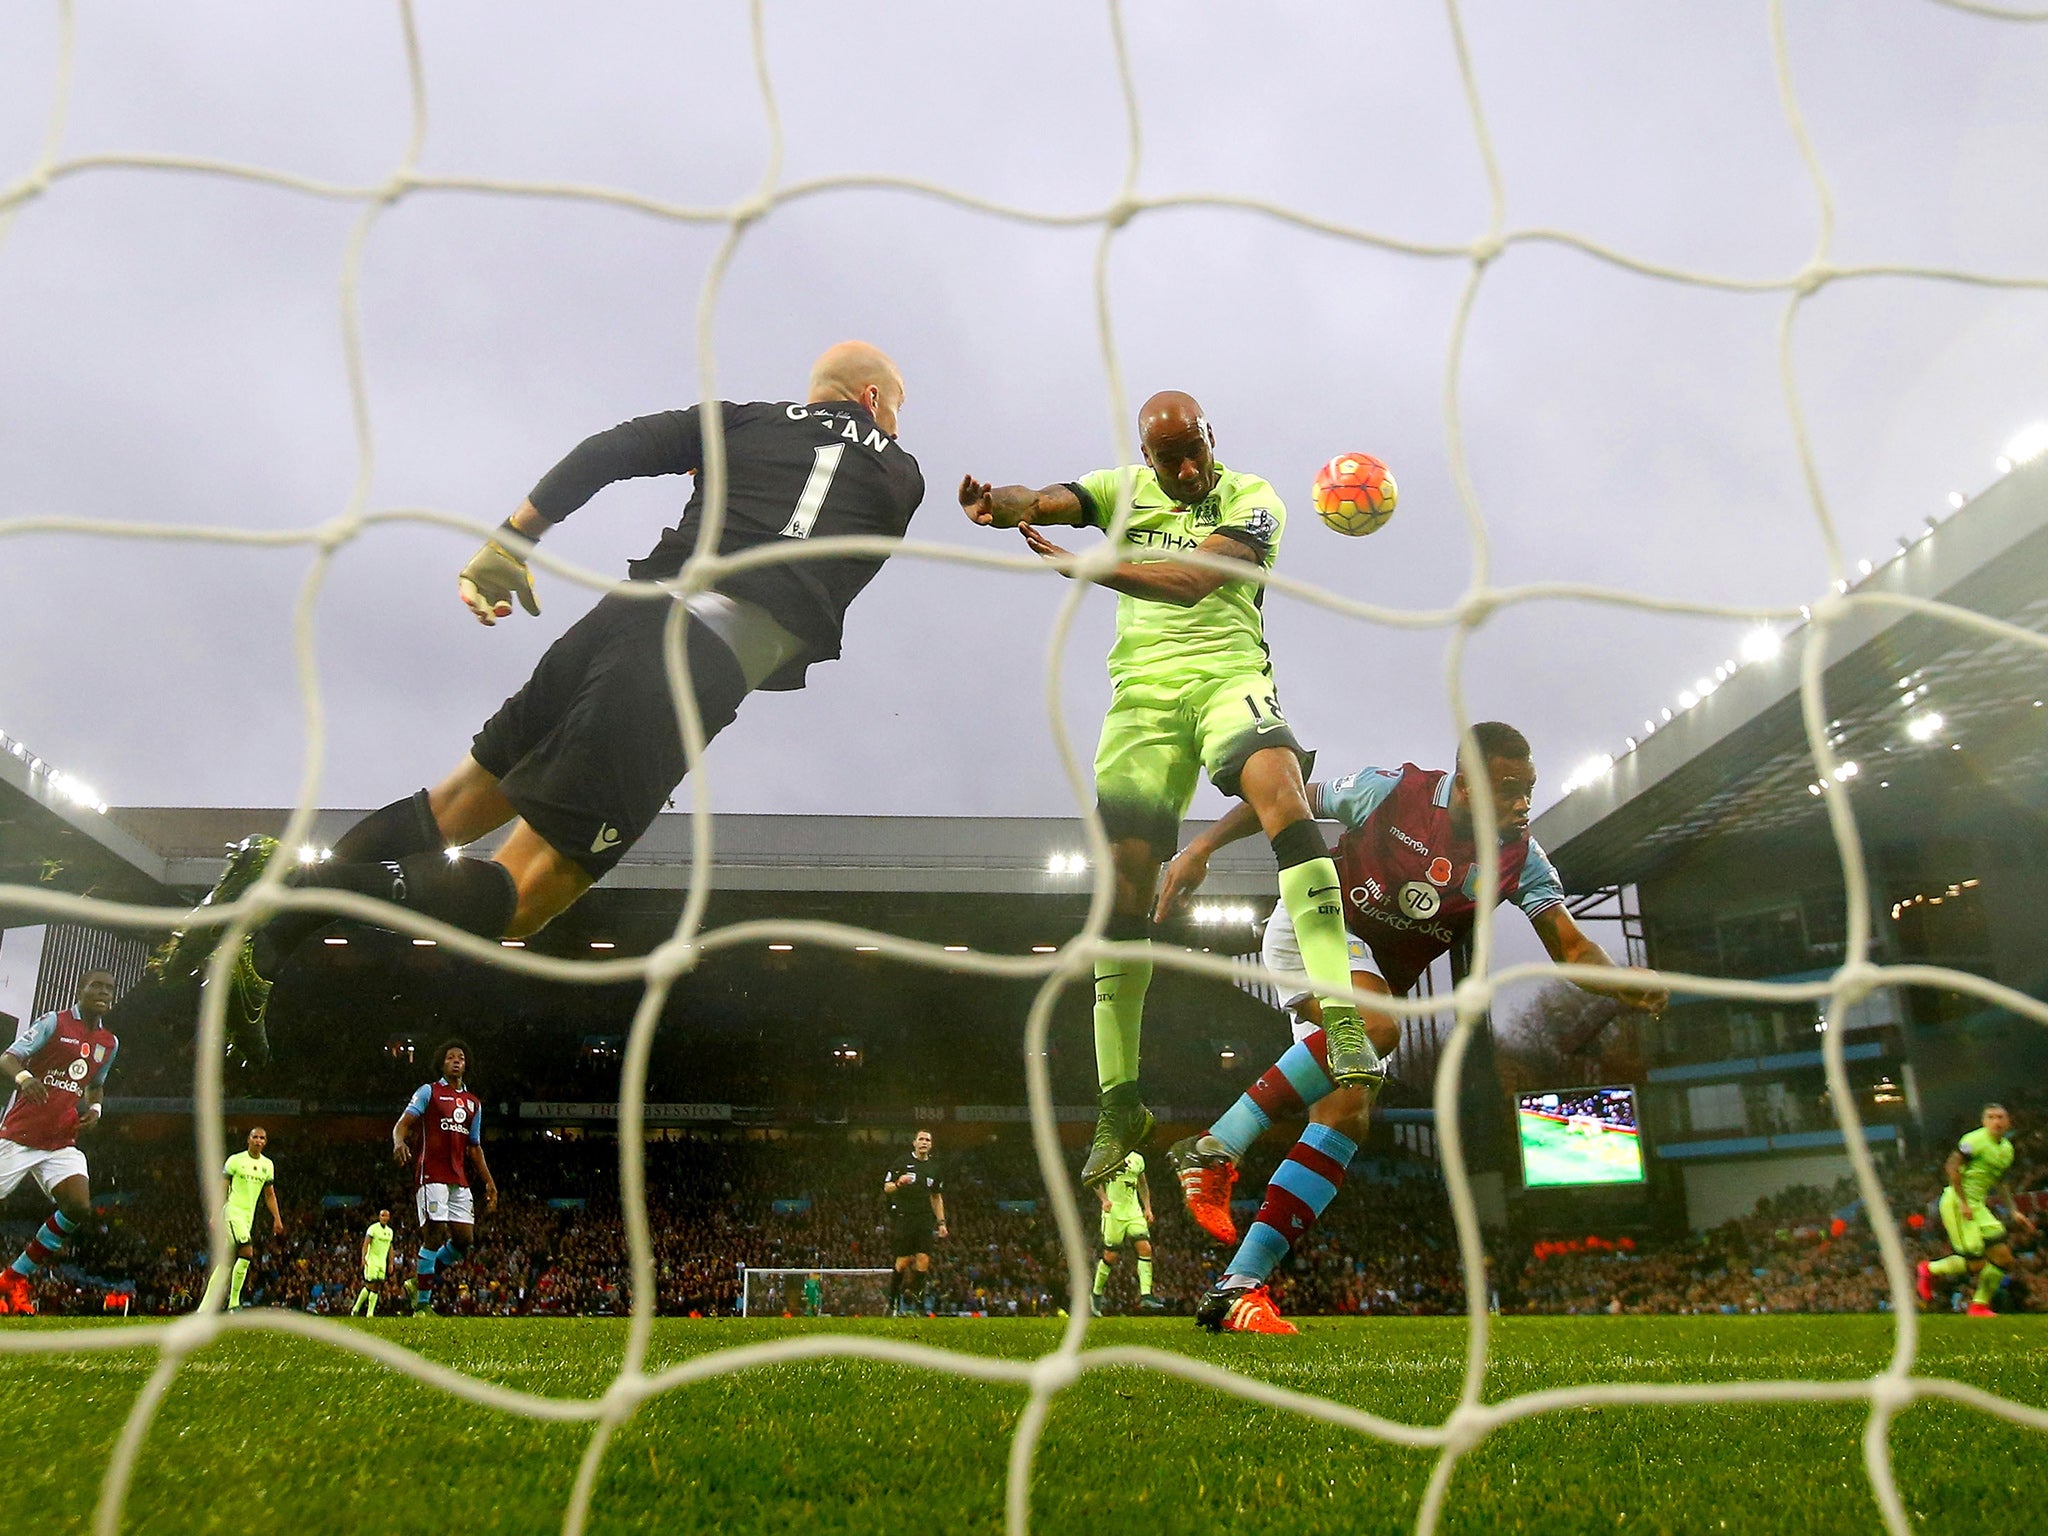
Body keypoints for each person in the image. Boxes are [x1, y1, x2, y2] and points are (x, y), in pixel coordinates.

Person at [150, 342, 924, 1064]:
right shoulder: (902, 475)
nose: (896, 422)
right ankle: (293, 890)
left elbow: (613, 448)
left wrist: (512, 541)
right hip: (692, 661)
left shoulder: (744, 422)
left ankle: (268, 941)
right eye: (895, 407)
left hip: (619, 620)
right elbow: (827, 527)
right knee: (524, 894)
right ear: (871, 398)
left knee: (456, 801)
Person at [961, 392, 1369, 1185]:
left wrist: (1089, 566)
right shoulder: (1120, 490)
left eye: (1195, 452)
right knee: (1120, 890)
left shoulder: (1254, 499)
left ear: (1212, 437)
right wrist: (1001, 505)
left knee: (1282, 790)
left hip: (1227, 680)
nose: (1185, 470)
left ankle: (1342, 1018)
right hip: (1140, 703)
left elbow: (1190, 581)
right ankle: (1121, 1103)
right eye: (1168, 458)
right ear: (1146, 458)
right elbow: (1045, 499)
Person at [1158, 724, 1667, 1334]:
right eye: (1509, 789)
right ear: (1467, 784)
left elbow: (1573, 947)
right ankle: (1213, 1147)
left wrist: (1620, 981)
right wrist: (1202, 847)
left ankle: (1237, 1287)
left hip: (1370, 975)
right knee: (1376, 1028)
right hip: (1316, 926)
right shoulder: (1393, 791)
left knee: (1346, 1115)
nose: (1522, 805)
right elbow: (1282, 799)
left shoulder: (1520, 859)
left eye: (1529, 790)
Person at [0, 970, 119, 1317]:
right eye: (96, 986)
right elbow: (8, 1057)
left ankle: (13, 1277)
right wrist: (25, 1078)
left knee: (78, 1206)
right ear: (80, 989)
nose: (103, 992)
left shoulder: (109, 1043)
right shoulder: (55, 1022)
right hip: (21, 1135)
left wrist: (95, 1108)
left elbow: (96, 1084)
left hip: (61, 1141)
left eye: (109, 989)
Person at [395, 1040, 498, 1316]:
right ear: (442, 1064)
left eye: (460, 1057)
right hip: (431, 1173)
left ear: (466, 1065)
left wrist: (489, 1182)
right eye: (450, 1057)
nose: (456, 1060)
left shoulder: (473, 1103)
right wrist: (398, 1142)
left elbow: (474, 1148)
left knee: (464, 1240)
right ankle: (422, 1306)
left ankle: (417, 1283)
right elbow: (403, 1124)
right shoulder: (429, 1092)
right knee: (435, 1234)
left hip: (459, 1178)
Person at [1918, 1104, 2037, 1316]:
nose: (1996, 1121)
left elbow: (2001, 1183)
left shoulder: (2007, 1149)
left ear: (2008, 1122)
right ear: (1984, 1122)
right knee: (1976, 1264)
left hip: (1978, 1206)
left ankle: (1978, 1305)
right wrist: (1964, 1202)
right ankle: (1928, 1269)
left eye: (2000, 1117)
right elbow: (1951, 1167)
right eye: (1991, 1117)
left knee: (2004, 1259)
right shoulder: (1974, 1140)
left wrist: (2013, 1211)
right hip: (1957, 1203)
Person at [883, 1129, 947, 1316]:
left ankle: (918, 1306)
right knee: (902, 1262)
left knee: (923, 1260)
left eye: (928, 1140)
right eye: (921, 1139)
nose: (924, 1142)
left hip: (924, 1218)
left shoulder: (934, 1168)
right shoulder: (902, 1162)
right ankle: (892, 1302)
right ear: (914, 1143)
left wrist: (941, 1222)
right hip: (904, 1216)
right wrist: (899, 1183)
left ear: (931, 1145)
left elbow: (936, 1197)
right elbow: (887, 1187)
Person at [218, 1126, 282, 1311]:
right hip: (232, 1212)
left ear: (265, 1142)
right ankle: (234, 1303)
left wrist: (277, 1218)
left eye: (262, 1138)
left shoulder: (267, 1165)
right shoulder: (235, 1160)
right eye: (255, 1137)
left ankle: (206, 1306)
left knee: (226, 1262)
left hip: (248, 1218)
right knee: (247, 1251)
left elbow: (270, 1195)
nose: (258, 1141)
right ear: (248, 1139)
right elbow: (222, 1188)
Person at [1093, 1151, 1164, 1315]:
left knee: (1145, 1248)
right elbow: (1093, 1179)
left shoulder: (1138, 1158)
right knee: (1111, 1256)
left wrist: (1147, 1207)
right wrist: (1104, 1200)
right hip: (1114, 1212)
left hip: (1134, 1211)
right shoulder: (1108, 1154)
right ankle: (1096, 1294)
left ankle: (1146, 1295)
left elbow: (1142, 1184)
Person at [351, 1207, 396, 1317]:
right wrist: (363, 1257)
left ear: (389, 1218)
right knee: (369, 1284)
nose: (384, 1218)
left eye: (386, 1216)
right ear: (379, 1217)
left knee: (377, 1286)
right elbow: (366, 1244)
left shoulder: (390, 1232)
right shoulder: (373, 1229)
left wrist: (391, 1263)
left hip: (382, 1262)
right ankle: (356, 1308)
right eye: (382, 1216)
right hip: (372, 1260)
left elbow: (390, 1248)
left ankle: (370, 1312)